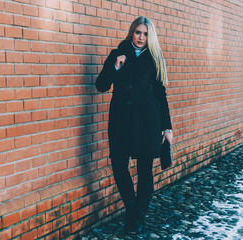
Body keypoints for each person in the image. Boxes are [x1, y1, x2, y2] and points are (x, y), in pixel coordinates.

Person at [95, 16, 173, 235]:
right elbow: (101, 85)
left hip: (148, 119)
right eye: (138, 32)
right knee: (119, 165)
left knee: (144, 170)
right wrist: (115, 67)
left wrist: (167, 128)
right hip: (120, 118)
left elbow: (160, 94)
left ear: (150, 37)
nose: (141, 37)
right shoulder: (117, 54)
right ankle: (132, 209)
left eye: (145, 34)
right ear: (132, 32)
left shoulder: (154, 58)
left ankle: (138, 216)